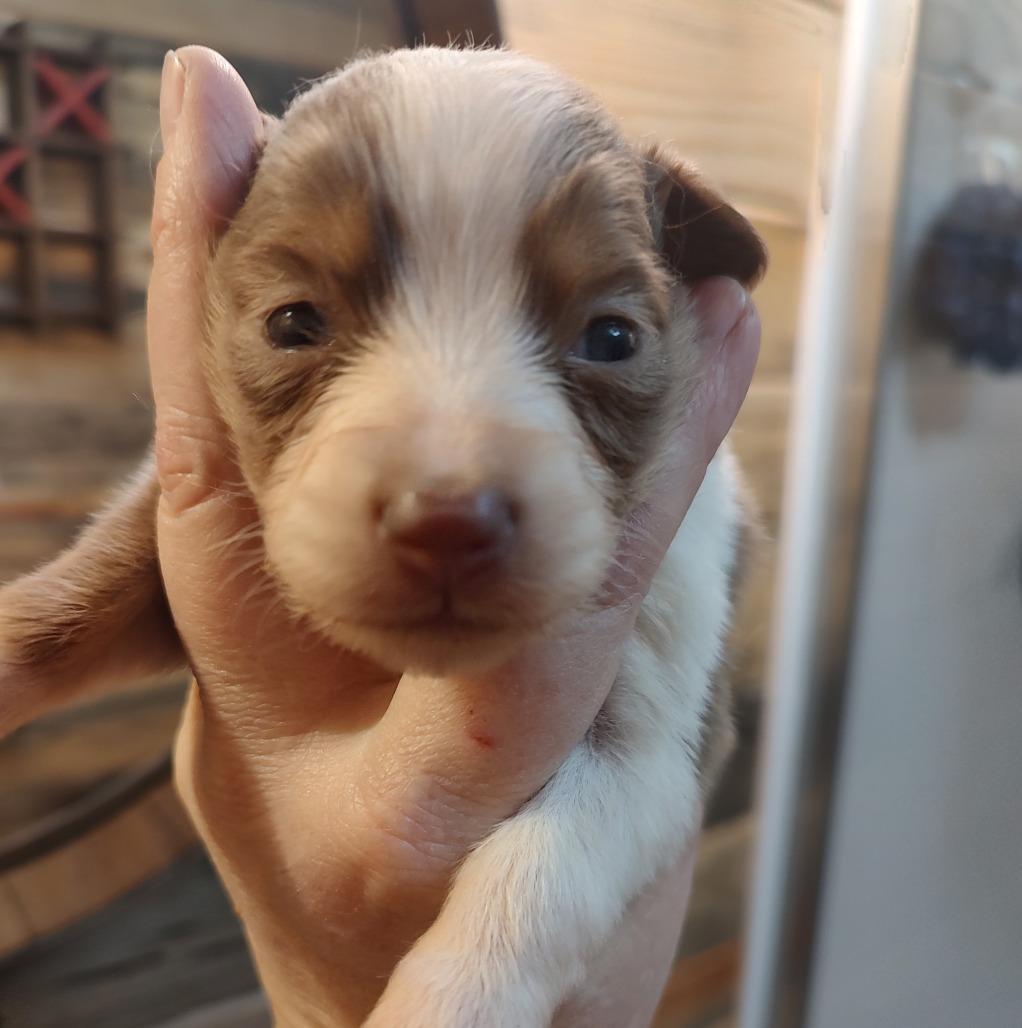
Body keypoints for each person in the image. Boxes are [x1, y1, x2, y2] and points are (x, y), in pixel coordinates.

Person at [71, 45, 765, 1027]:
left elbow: (633, 769)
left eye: (605, 339)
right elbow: (175, 513)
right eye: (300, 323)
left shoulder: (695, 512)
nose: (451, 498)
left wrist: (472, 984)